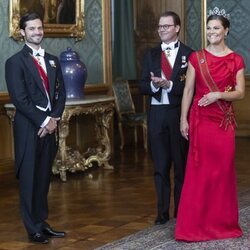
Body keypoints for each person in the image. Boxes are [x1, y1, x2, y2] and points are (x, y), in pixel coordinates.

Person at [175, 8, 245, 241]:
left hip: (224, 123)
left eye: (216, 28)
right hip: (202, 121)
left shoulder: (236, 59)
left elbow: (241, 93)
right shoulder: (197, 58)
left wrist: (218, 96)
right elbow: (188, 90)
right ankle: (194, 226)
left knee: (222, 172)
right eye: (208, 29)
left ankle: (222, 224)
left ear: (226, 30)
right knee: (200, 173)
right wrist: (183, 119)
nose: (211, 32)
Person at [5, 12, 66, 244]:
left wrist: (54, 118)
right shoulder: (14, 63)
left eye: (39, 28)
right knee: (29, 178)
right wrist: (44, 121)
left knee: (43, 178)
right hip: (30, 128)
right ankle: (32, 229)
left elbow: (61, 94)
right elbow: (20, 99)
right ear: (22, 32)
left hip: (49, 127)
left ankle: (41, 222)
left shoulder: (53, 60)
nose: (37, 32)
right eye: (31, 29)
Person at [140, 11, 193, 225]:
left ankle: (181, 211)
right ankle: (162, 213)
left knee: (180, 166)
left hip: (179, 114)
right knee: (160, 167)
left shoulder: (189, 54)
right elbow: (143, 85)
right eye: (159, 27)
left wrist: (169, 85)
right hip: (157, 115)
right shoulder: (150, 54)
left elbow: (192, 87)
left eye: (166, 26)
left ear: (177, 28)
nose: (161, 30)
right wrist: (154, 84)